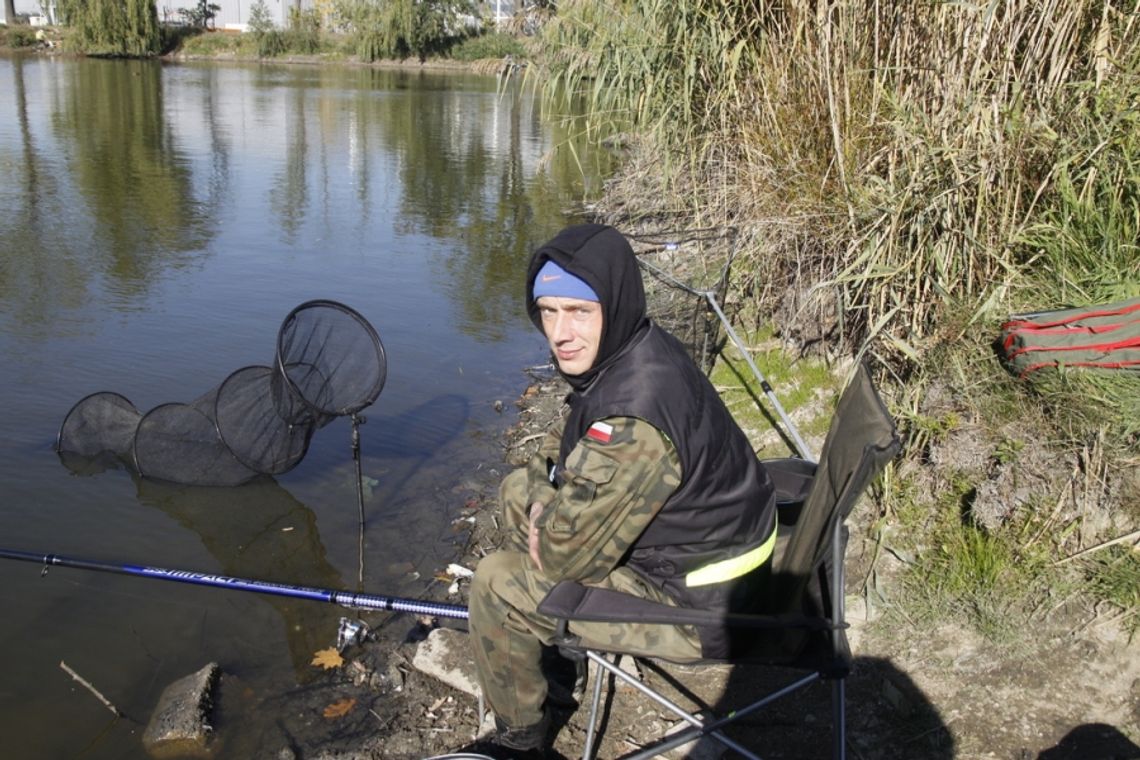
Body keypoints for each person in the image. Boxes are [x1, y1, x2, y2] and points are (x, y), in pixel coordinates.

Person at [461, 223, 777, 757]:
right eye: (548, 311)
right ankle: (558, 660)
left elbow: (562, 560)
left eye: (579, 312)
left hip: (700, 609)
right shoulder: (642, 347)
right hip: (711, 558)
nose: (560, 332)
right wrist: (545, 496)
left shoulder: (633, 422)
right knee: (520, 490)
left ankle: (521, 739)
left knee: (495, 583)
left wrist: (549, 507)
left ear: (613, 306)